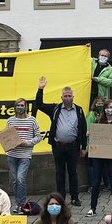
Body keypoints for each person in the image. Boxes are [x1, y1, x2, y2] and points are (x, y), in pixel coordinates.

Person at [34, 77, 87, 207]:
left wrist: (84, 146)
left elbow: (83, 128)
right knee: (59, 173)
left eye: (69, 96)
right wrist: (40, 89)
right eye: (65, 96)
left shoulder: (79, 110)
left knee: (73, 173)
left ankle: (75, 197)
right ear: (61, 97)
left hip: (73, 147)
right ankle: (61, 197)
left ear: (73, 97)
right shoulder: (55, 109)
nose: (67, 98)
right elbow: (39, 105)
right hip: (58, 146)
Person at [4, 96, 42, 210]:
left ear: (26, 107)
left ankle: (22, 205)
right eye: (18, 105)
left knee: (20, 179)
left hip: (25, 155)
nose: (20, 107)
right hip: (12, 155)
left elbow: (38, 137)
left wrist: (27, 143)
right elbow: (7, 136)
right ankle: (18, 203)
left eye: (22, 105)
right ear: (15, 107)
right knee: (14, 181)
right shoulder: (10, 120)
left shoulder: (32, 120)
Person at [86, 101, 112, 215]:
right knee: (96, 182)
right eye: (108, 107)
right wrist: (89, 134)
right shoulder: (98, 122)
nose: (110, 109)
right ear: (104, 109)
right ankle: (93, 207)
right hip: (98, 156)